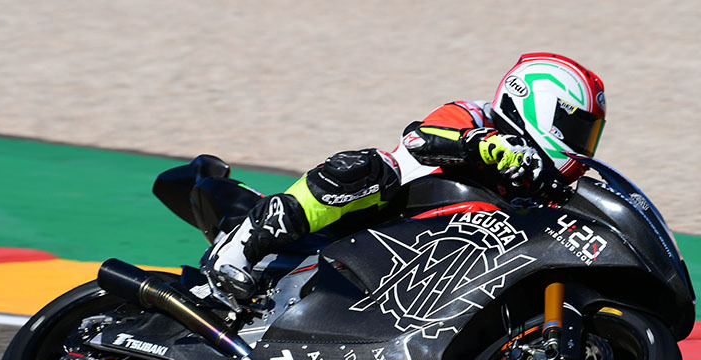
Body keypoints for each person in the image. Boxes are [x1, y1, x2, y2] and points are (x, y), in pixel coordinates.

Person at [201, 52, 607, 301]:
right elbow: (421, 138)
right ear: (536, 103)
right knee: (370, 168)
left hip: (429, 273)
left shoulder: (538, 183)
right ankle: (240, 247)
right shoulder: (475, 115)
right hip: (375, 223)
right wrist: (481, 145)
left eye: (589, 135)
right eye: (576, 129)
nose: (581, 145)